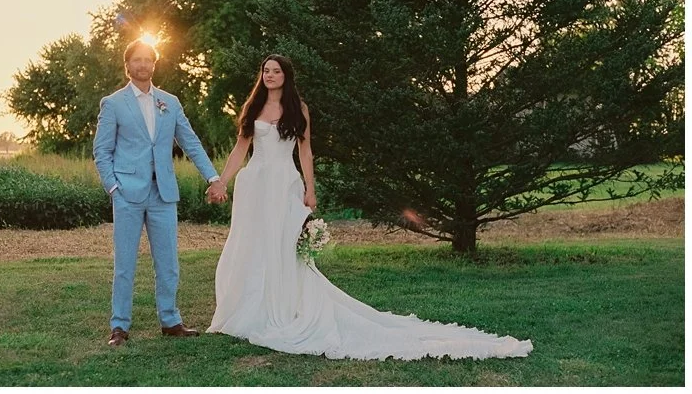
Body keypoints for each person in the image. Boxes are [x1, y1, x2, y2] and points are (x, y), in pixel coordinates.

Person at [206, 54, 533, 360]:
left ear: (286, 77)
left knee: (282, 246)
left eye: (276, 71)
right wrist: (222, 180)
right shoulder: (254, 106)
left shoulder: (298, 109)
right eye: (266, 70)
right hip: (255, 185)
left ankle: (282, 308)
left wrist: (310, 188)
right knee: (251, 245)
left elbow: (306, 152)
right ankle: (250, 310)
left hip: (284, 184)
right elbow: (240, 148)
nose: (270, 75)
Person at [93, 39, 227, 347]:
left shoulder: (170, 102)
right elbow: (102, 151)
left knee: (168, 262)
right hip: (127, 193)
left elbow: (190, 142)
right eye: (136, 60)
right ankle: (119, 326)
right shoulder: (113, 103)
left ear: (154, 64)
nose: (142, 65)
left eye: (148, 60)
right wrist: (113, 187)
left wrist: (213, 177)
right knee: (125, 263)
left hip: (164, 194)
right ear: (127, 66)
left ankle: (170, 320)